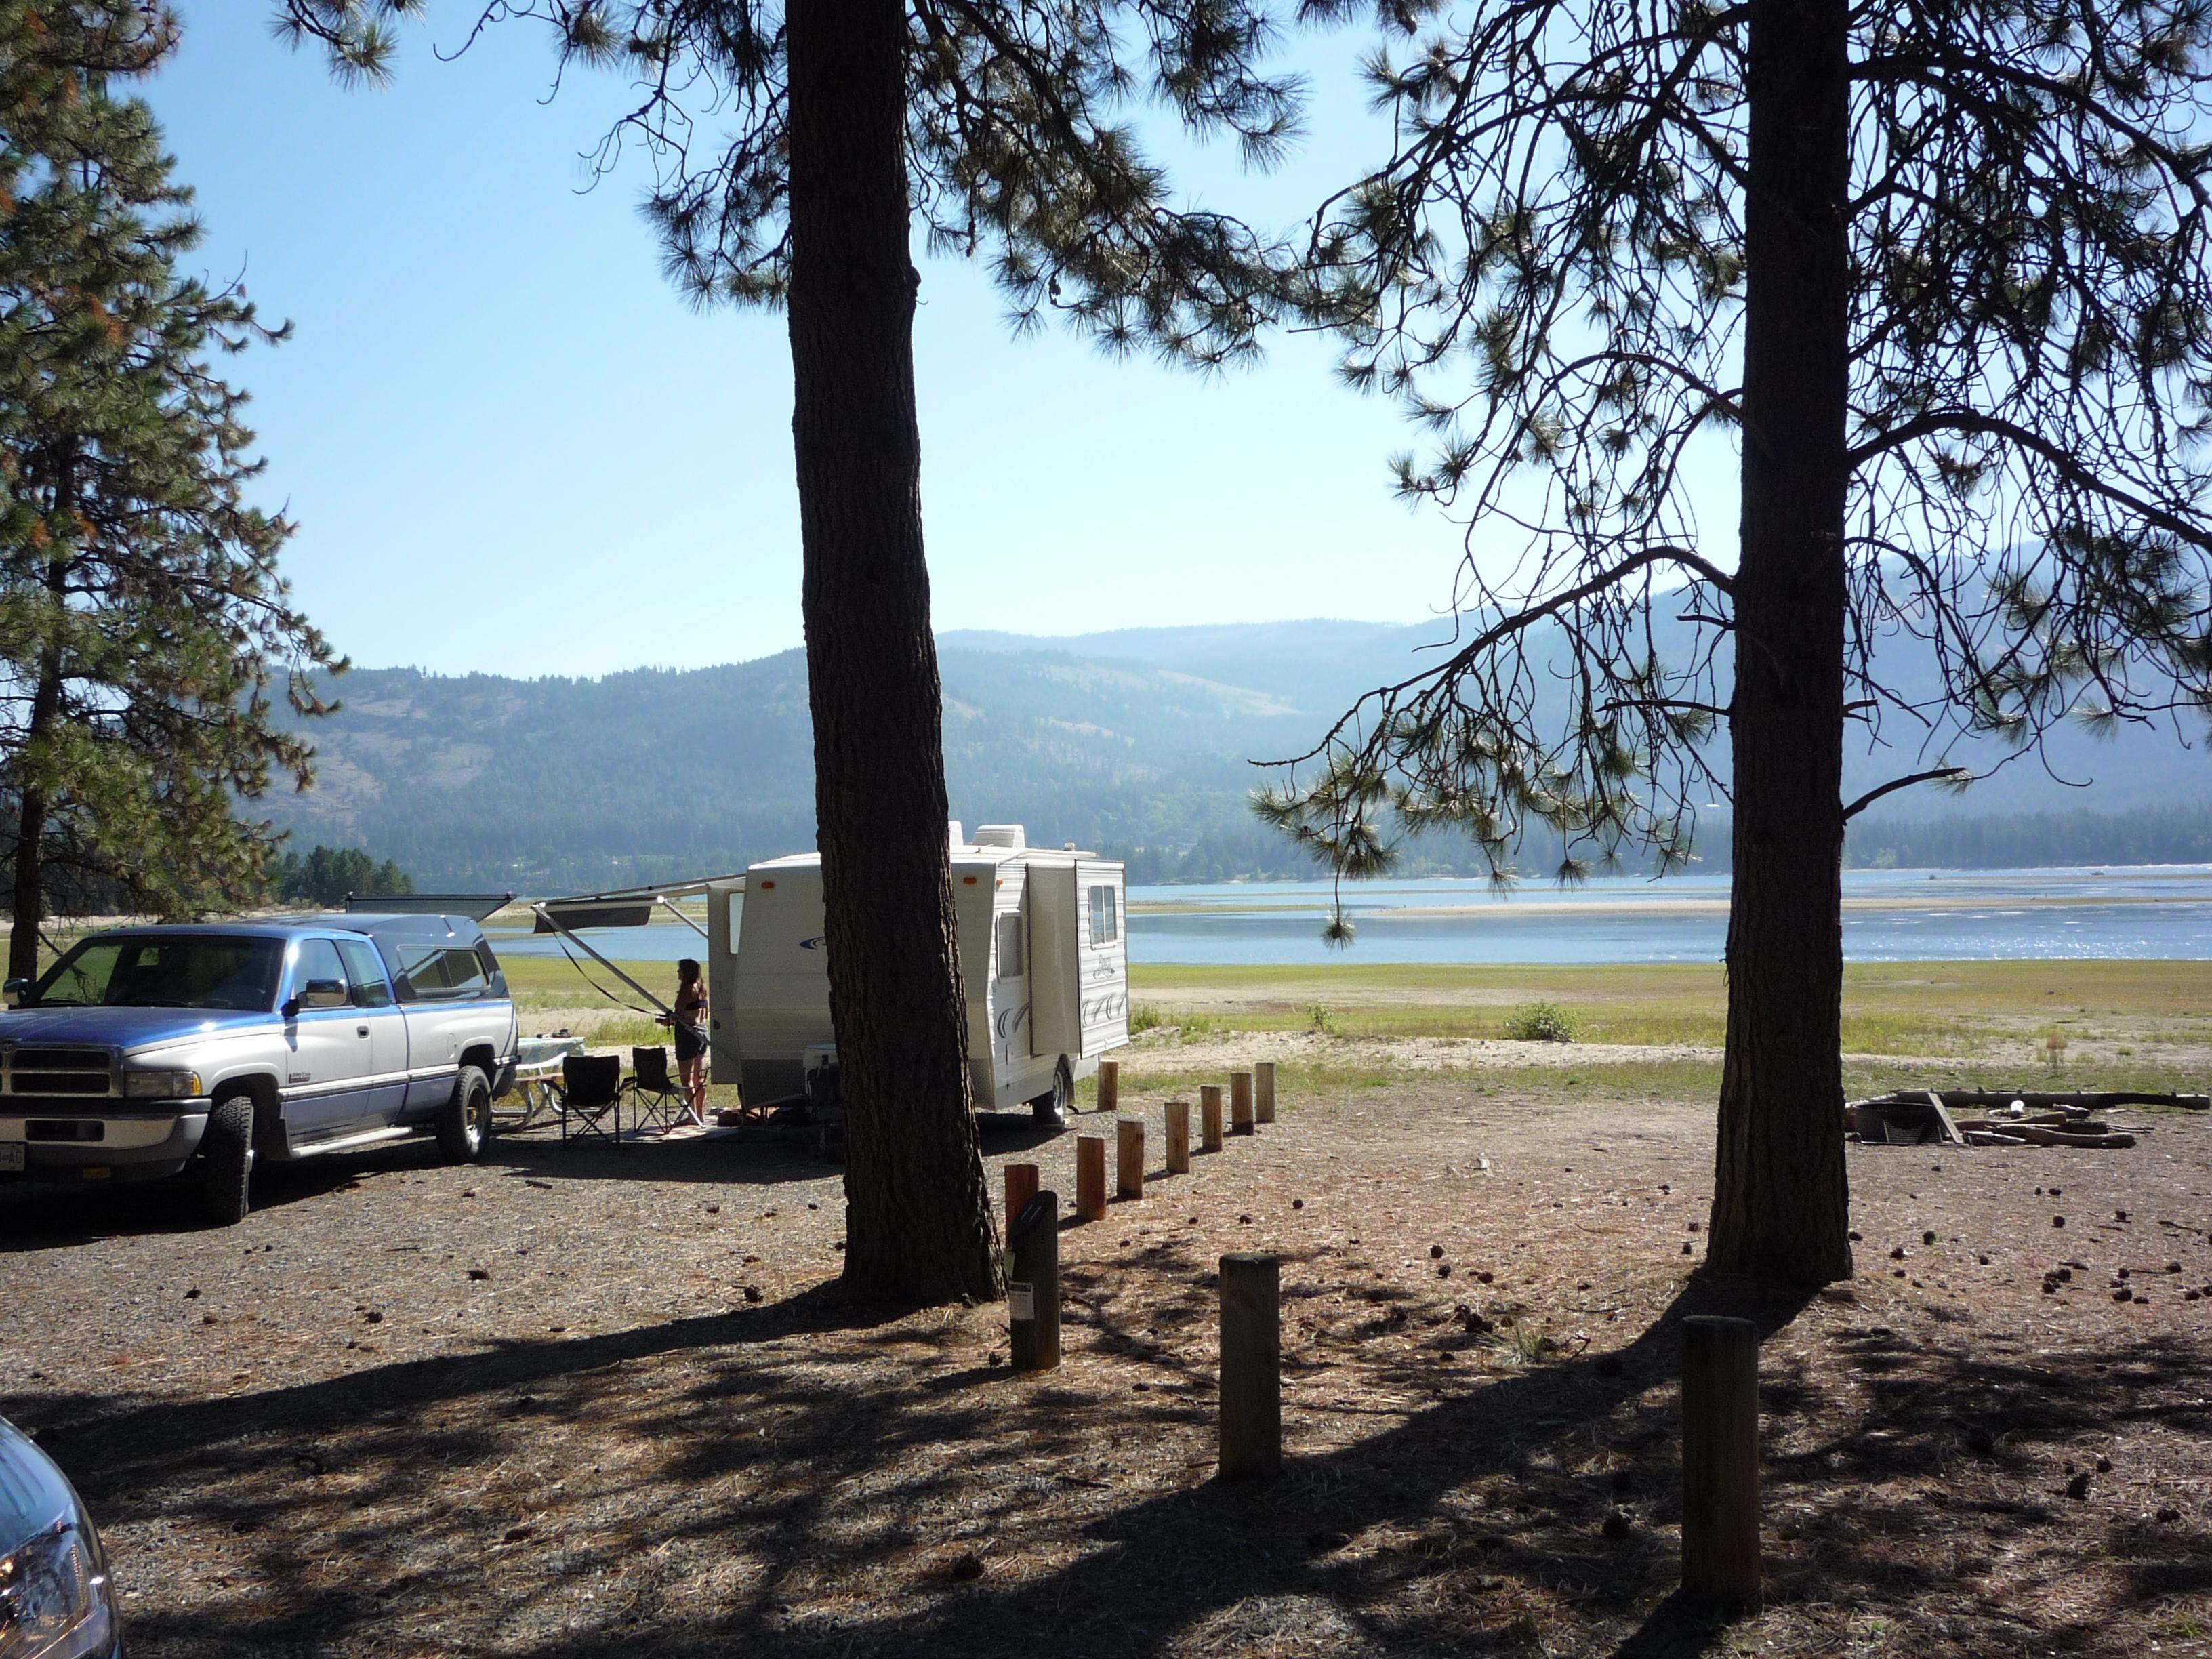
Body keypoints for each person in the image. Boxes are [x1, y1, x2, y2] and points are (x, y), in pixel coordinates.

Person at [666, 957, 710, 1125]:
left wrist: (667, 1021)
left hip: (687, 1035)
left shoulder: (686, 990)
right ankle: (699, 1114)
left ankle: (692, 1116)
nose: (678, 973)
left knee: (687, 1079)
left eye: (680, 970)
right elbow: (704, 1014)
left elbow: (678, 1016)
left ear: (686, 972)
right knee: (698, 1077)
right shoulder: (702, 989)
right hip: (702, 1033)